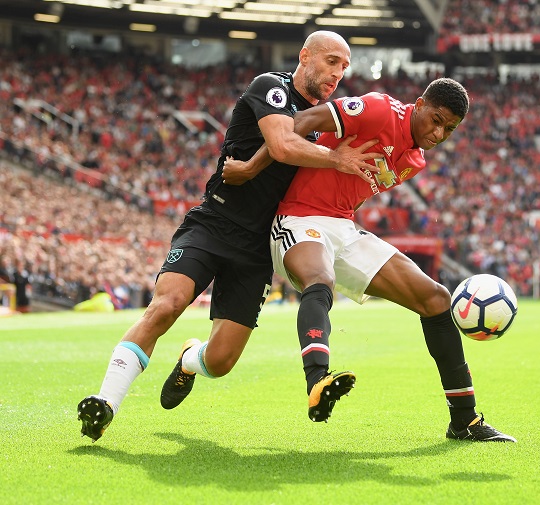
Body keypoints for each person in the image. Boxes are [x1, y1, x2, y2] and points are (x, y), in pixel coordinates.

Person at [76, 30, 380, 442]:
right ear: (305, 57)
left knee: (219, 362)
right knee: (166, 305)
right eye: (331, 61)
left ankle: (188, 359)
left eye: (345, 67)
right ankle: (106, 402)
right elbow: (282, 142)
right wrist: (335, 159)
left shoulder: (325, 120)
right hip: (214, 223)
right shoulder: (271, 87)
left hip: (259, 248)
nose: (338, 73)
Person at [224, 78, 516, 442]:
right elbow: (300, 123)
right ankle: (318, 380)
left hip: (344, 228)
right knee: (320, 279)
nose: (439, 133)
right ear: (420, 103)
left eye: (450, 129)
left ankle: (465, 421)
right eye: (436, 120)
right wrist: (253, 167)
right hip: (298, 218)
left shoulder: (415, 161)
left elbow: (358, 191)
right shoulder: (379, 109)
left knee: (437, 299)